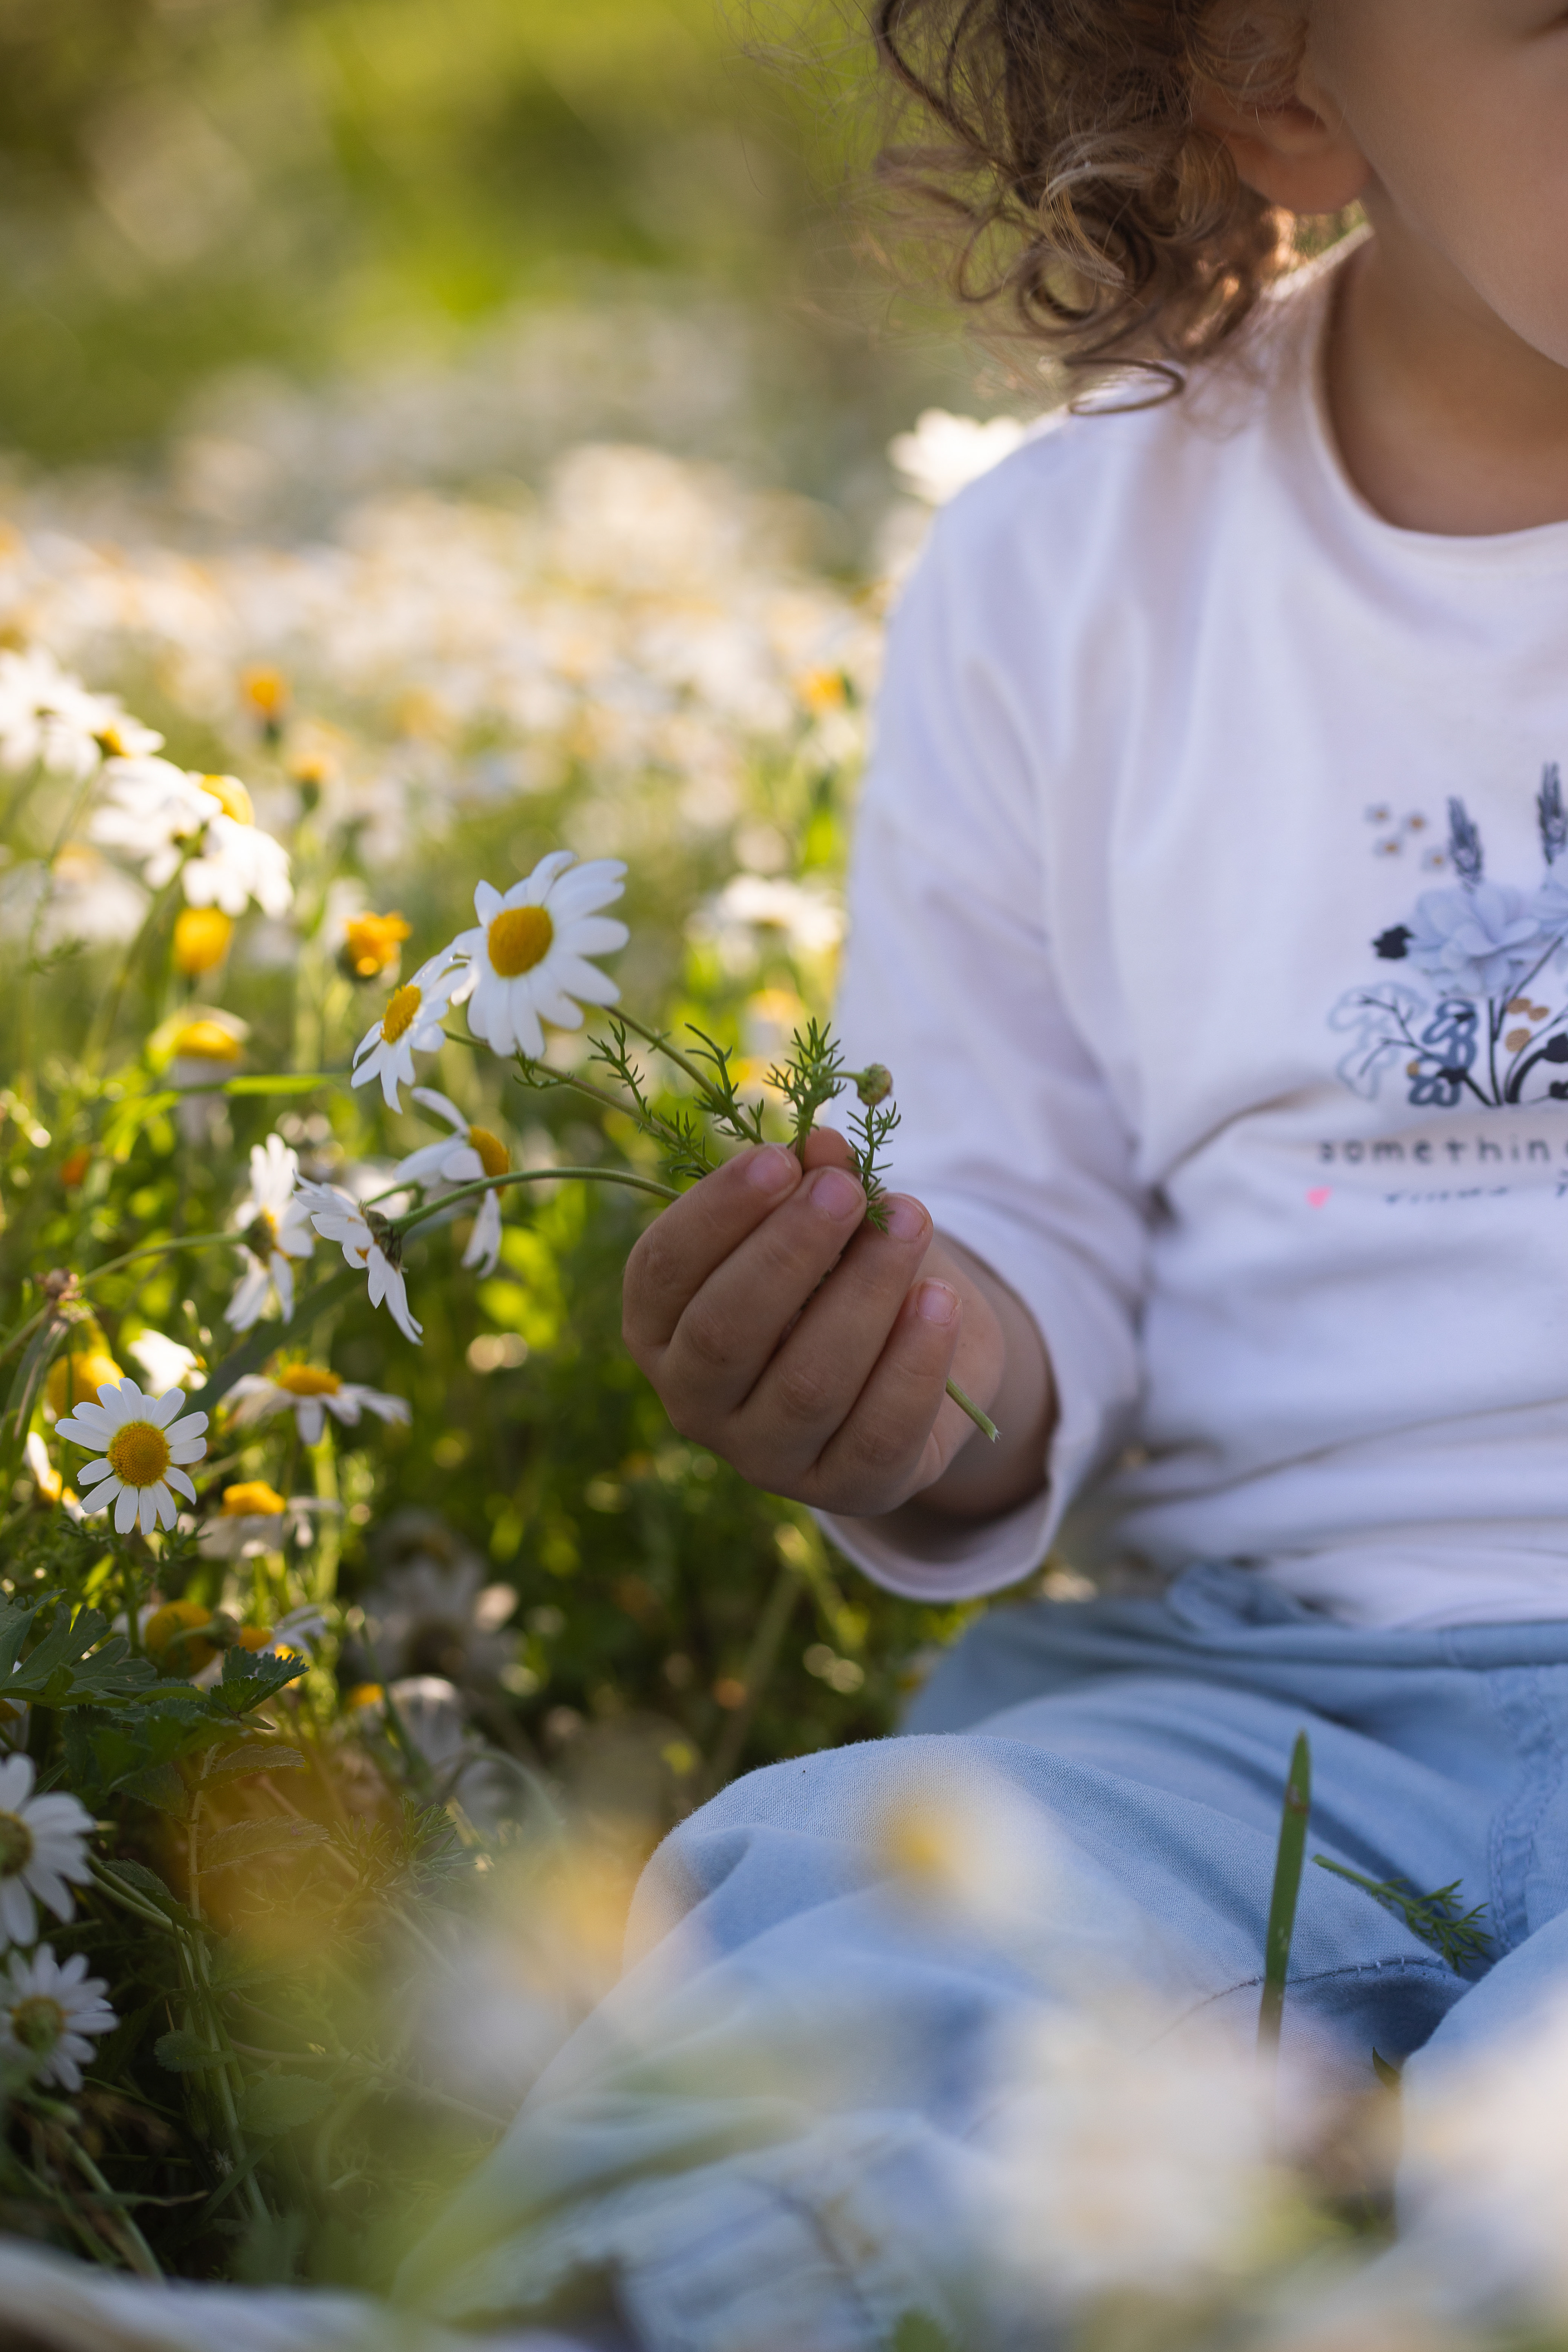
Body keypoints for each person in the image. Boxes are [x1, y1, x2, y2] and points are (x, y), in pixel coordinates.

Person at [401, 3, 1568, 2343]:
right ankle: (648, 2304)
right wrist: (917, 1358)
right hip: (1261, 1703)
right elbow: (1018, 1222)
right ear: (1278, 77)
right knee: (863, 1916)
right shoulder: (1071, 576)